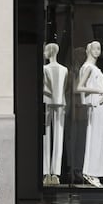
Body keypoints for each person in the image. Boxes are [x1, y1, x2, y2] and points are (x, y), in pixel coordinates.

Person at [76, 41, 103, 188]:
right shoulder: (89, 68)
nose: (98, 51)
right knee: (95, 139)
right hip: (97, 105)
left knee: (98, 140)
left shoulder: (93, 68)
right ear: (90, 50)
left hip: (101, 106)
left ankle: (92, 172)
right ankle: (91, 172)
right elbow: (79, 87)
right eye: (96, 48)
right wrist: (101, 91)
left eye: (100, 48)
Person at [42, 43, 68, 185]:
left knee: (47, 136)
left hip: (49, 102)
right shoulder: (64, 69)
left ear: (50, 51)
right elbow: (64, 87)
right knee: (57, 136)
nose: (44, 53)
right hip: (58, 102)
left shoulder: (45, 69)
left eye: (46, 50)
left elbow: (46, 88)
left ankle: (49, 172)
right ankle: (53, 173)